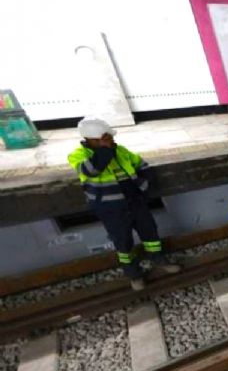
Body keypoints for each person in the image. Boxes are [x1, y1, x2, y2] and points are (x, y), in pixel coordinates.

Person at [67, 117, 179, 291]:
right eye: (106, 138)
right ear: (92, 139)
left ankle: (158, 260)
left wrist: (144, 185)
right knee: (123, 242)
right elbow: (92, 170)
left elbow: (141, 165)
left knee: (150, 233)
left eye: (110, 137)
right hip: (110, 208)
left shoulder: (120, 150)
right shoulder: (78, 155)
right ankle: (135, 275)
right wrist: (104, 150)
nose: (112, 140)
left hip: (135, 202)